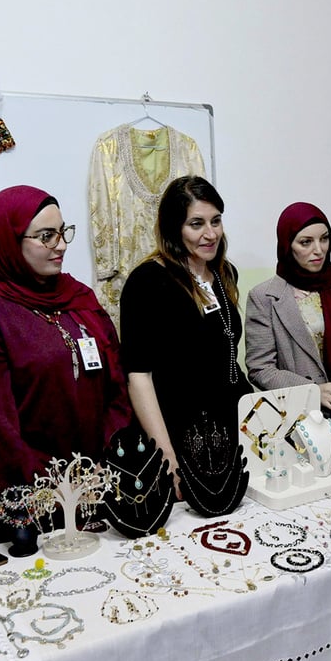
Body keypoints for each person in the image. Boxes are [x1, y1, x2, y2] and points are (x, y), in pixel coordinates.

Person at [0, 185, 132, 543]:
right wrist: (59, 487)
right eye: (46, 236)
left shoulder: (79, 299)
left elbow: (116, 387)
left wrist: (105, 464)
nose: (60, 246)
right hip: (28, 510)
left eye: (62, 232)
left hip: (99, 490)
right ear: (7, 241)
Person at [120, 175, 252, 516]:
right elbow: (139, 377)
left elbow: (227, 357)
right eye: (196, 224)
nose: (210, 234)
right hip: (179, 433)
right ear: (173, 227)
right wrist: (168, 459)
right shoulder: (147, 282)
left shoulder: (224, 273)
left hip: (229, 431)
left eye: (215, 221)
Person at [244, 202, 331, 461]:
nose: (318, 250)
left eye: (324, 238)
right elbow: (260, 369)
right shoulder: (264, 297)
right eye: (305, 242)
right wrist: (313, 391)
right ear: (287, 246)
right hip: (298, 426)